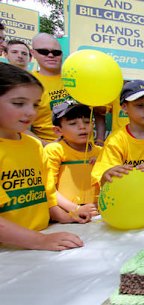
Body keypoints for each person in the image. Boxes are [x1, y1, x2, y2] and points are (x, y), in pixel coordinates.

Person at [0, 63, 84, 251]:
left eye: (36, 104)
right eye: (19, 103)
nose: (31, 112)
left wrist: (68, 216)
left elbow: (47, 194)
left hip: (38, 244)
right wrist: (39, 241)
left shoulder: (35, 145)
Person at [44, 100, 101, 220]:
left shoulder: (101, 151)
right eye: (73, 123)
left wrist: (102, 167)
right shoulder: (54, 150)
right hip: (65, 217)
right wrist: (75, 209)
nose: (82, 127)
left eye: (87, 121)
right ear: (58, 130)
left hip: (98, 215)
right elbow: (49, 189)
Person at [30, 33, 69, 144]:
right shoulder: (27, 81)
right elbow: (18, 126)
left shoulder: (77, 77)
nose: (51, 55)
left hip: (86, 152)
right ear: (33, 53)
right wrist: (46, 146)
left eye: (56, 52)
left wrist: (99, 139)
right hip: (52, 153)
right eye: (44, 52)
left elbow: (97, 111)